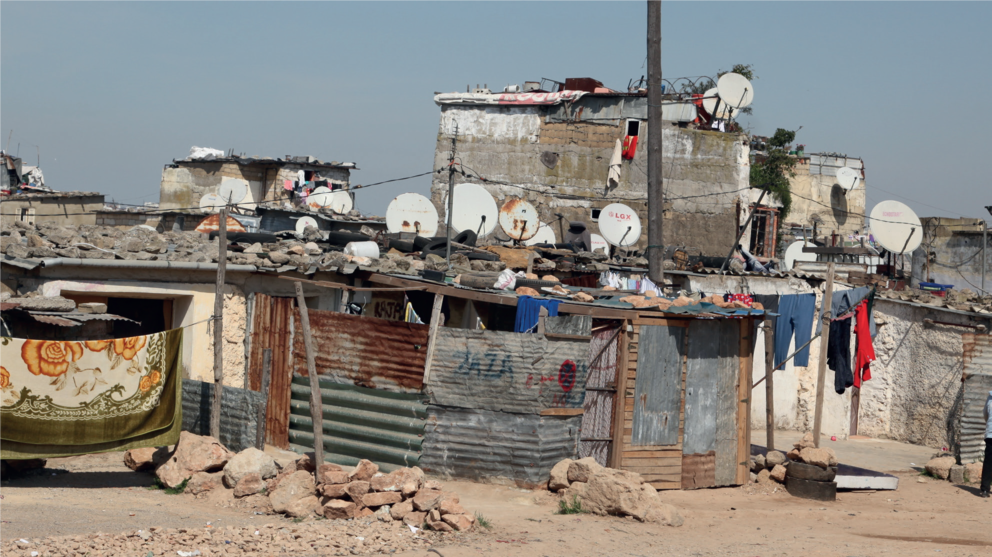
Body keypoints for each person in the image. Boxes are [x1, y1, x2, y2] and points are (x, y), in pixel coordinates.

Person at [983, 390, 992, 498]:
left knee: (988, 462)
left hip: (990, 434)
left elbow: (985, 414)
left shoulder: (990, 398)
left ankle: (985, 490)